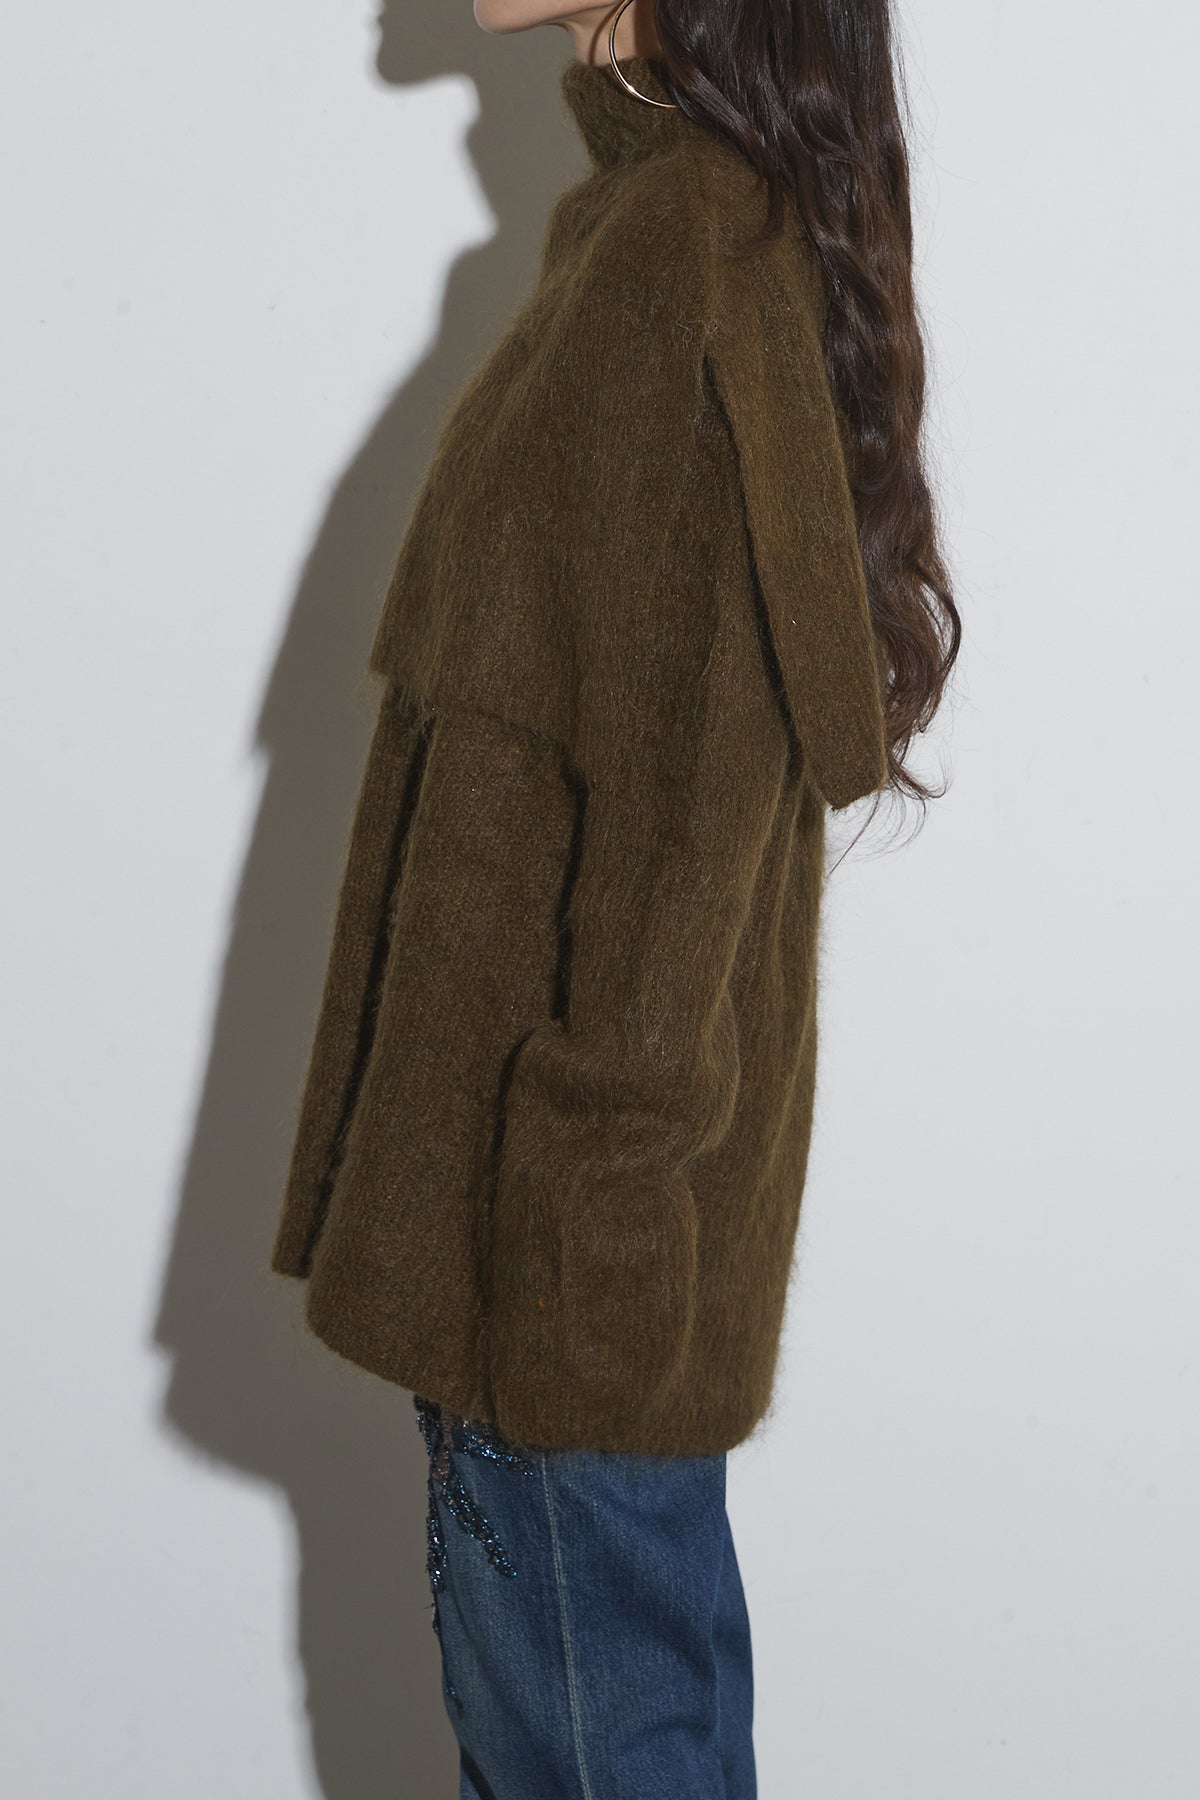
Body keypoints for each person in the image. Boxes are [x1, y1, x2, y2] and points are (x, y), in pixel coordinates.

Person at [270, 0, 959, 1791]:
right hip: (536, 1256)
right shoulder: (662, 228)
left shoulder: (684, 255)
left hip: (565, 1272)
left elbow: (688, 813)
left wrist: (584, 1257)